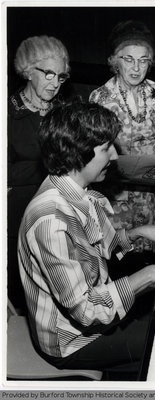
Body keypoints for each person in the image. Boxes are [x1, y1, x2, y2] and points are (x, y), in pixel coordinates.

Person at [18, 99, 155, 378]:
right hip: (71, 341)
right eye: (106, 148)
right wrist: (149, 275)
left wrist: (137, 233)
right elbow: (87, 311)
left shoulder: (76, 189)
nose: (115, 156)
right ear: (77, 154)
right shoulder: (50, 223)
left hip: (92, 309)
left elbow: (95, 248)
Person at [89, 20, 155, 255]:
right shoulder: (100, 99)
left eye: (143, 60)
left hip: (151, 194)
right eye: (128, 59)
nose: (136, 67)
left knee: (151, 256)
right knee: (119, 258)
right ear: (115, 61)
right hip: (116, 197)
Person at [8, 35, 70, 309]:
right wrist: (52, 167)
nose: (55, 84)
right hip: (19, 215)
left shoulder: (63, 112)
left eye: (61, 76)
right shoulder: (9, 114)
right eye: (48, 74)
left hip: (60, 211)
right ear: (27, 71)